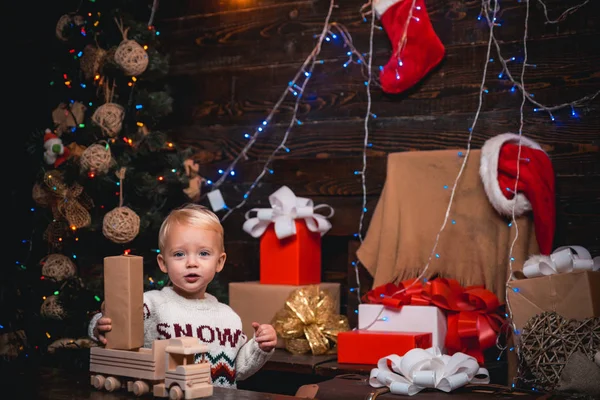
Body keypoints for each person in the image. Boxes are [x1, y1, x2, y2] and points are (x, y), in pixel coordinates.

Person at [88, 204, 277, 388]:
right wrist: (100, 326)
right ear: (163, 263)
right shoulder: (150, 304)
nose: (191, 263)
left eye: (203, 253)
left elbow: (239, 369)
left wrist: (260, 347)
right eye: (179, 254)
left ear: (219, 262)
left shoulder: (229, 318)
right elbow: (116, 317)